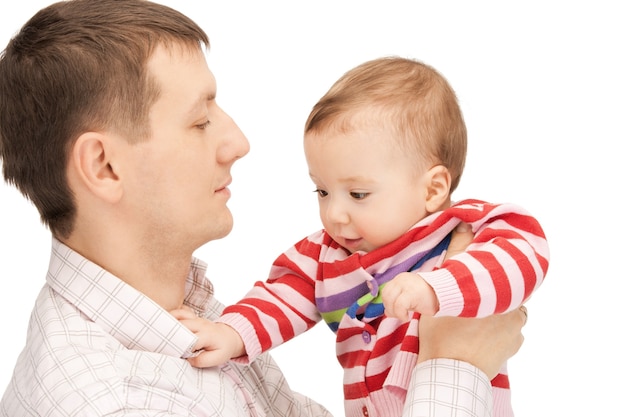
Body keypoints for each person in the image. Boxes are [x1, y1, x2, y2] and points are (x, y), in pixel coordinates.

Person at [0, 1, 528, 416]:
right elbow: (293, 289)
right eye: (200, 120)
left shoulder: (185, 316)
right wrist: (456, 362)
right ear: (105, 167)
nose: (239, 141)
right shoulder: (121, 401)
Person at [172, 57, 549, 417]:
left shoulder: (460, 230)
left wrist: (438, 288)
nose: (334, 214)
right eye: (321, 191)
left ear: (433, 189)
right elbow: (281, 294)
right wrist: (232, 332)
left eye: (358, 194)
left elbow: (525, 251)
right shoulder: (325, 256)